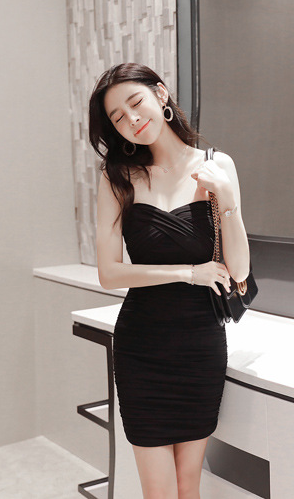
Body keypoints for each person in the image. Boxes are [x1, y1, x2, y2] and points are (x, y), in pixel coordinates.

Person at [88, 62, 250, 499]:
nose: (131, 119)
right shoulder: (118, 177)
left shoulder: (218, 166)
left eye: (135, 103)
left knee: (187, 486)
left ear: (160, 95)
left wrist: (227, 198)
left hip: (199, 346)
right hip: (142, 347)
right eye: (118, 117)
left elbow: (238, 271)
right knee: (159, 493)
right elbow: (109, 272)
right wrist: (188, 274)